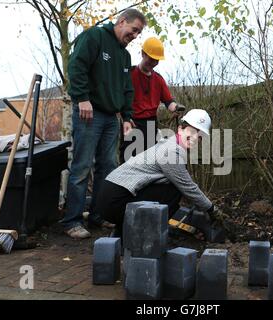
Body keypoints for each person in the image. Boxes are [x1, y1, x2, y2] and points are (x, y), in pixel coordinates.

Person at [62, 9, 147, 239]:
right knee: (81, 167)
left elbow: (127, 89)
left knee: (108, 168)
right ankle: (72, 221)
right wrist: (82, 98)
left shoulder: (125, 56)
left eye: (139, 32)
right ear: (121, 22)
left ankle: (98, 215)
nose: (135, 35)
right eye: (134, 29)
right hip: (89, 113)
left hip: (111, 118)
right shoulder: (94, 37)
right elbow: (76, 66)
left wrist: (127, 116)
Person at [96, 109, 216, 238]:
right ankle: (142, 238)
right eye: (191, 131)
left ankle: (123, 233)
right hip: (114, 200)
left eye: (199, 136)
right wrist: (211, 209)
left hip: (110, 197)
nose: (194, 138)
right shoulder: (171, 151)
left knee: (169, 190)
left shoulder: (169, 145)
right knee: (173, 191)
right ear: (180, 129)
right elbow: (187, 187)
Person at [119, 37, 184, 163]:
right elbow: (120, 97)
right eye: (151, 58)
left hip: (150, 124)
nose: (153, 62)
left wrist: (175, 107)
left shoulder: (159, 79)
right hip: (132, 122)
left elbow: (168, 101)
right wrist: (124, 117)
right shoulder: (129, 74)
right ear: (143, 54)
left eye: (156, 60)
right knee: (129, 160)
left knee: (149, 162)